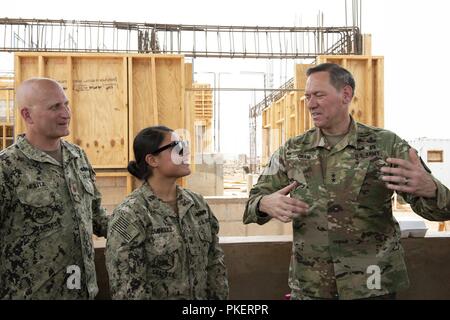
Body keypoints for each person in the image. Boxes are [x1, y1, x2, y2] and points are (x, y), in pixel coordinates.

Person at [243, 63, 450, 300]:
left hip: (371, 286)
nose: (310, 104)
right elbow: (252, 205)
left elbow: (441, 211)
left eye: (319, 95)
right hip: (312, 287)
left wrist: (431, 190)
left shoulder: (386, 146)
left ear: (346, 94)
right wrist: (263, 204)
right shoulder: (292, 150)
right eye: (307, 97)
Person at [0, 78, 109, 299]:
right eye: (55, 107)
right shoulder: (7, 167)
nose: (66, 113)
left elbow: (97, 217)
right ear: (27, 115)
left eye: (66, 104)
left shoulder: (77, 156)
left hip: (83, 292)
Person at [106, 126, 228, 299]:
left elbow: (215, 265)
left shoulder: (198, 205)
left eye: (184, 145)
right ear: (152, 160)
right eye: (177, 146)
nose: (185, 152)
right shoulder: (131, 214)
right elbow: (129, 289)